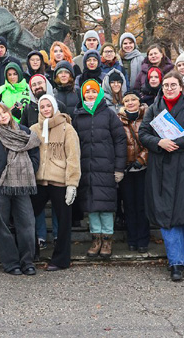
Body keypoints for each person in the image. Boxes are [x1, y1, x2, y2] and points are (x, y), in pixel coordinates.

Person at [139, 71, 184, 282]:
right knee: (166, 214)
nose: (169, 88)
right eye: (166, 85)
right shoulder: (153, 109)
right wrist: (159, 143)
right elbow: (143, 134)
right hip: (161, 167)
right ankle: (175, 261)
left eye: (173, 85)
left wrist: (176, 143)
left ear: (180, 87)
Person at [71, 79, 126, 259]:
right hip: (86, 168)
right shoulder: (78, 115)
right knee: (92, 206)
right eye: (87, 92)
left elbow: (120, 140)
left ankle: (107, 240)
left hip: (106, 168)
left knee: (106, 206)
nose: (90, 95)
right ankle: (96, 239)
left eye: (94, 91)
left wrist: (119, 168)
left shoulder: (109, 114)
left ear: (99, 93)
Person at [0, 103, 41, 276]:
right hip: (0, 185)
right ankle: (11, 263)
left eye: (4, 112)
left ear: (9, 113)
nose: (2, 116)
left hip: (22, 184)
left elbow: (35, 152)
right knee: (3, 225)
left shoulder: (24, 131)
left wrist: (28, 167)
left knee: (27, 223)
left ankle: (28, 261)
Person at [29, 95, 80, 270]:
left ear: (54, 107)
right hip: (39, 181)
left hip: (59, 181)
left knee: (64, 220)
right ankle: (31, 252)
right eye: (42, 106)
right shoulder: (34, 129)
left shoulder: (67, 128)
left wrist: (72, 183)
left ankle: (61, 259)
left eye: (48, 106)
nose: (45, 109)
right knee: (29, 216)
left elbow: (73, 157)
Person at [118, 90, 150, 253]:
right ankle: (132, 239)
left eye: (133, 99)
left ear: (139, 101)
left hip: (142, 168)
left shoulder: (147, 116)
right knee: (129, 205)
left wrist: (141, 160)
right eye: (127, 100)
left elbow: (151, 141)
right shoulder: (118, 120)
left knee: (142, 205)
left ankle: (143, 240)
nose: (130, 103)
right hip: (126, 169)